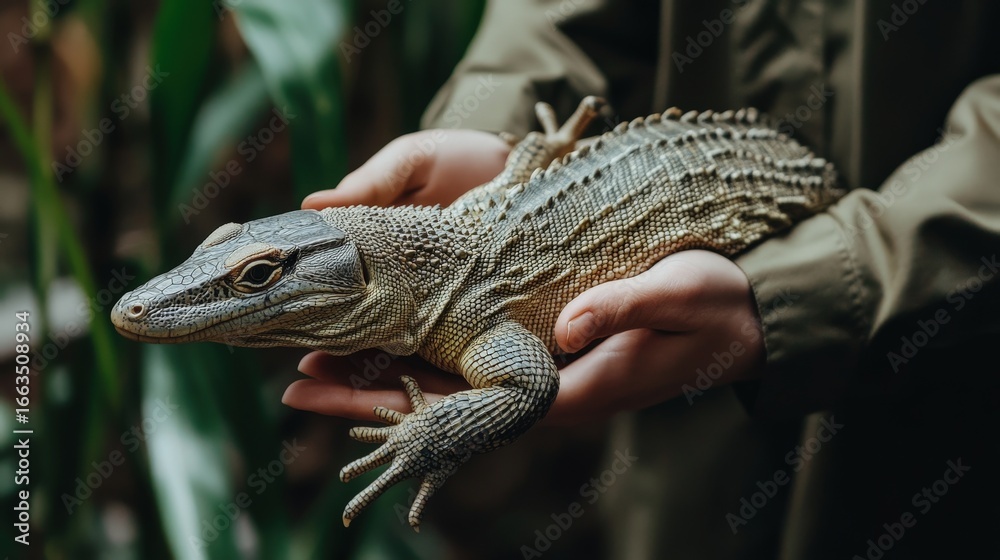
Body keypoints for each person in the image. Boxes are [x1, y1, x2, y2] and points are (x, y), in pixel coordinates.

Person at [283, 1, 1000, 557]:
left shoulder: (472, 300)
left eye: (258, 277)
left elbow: (527, 382)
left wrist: (807, 290)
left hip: (951, 403)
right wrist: (504, 115)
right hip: (688, 464)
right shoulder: (466, 224)